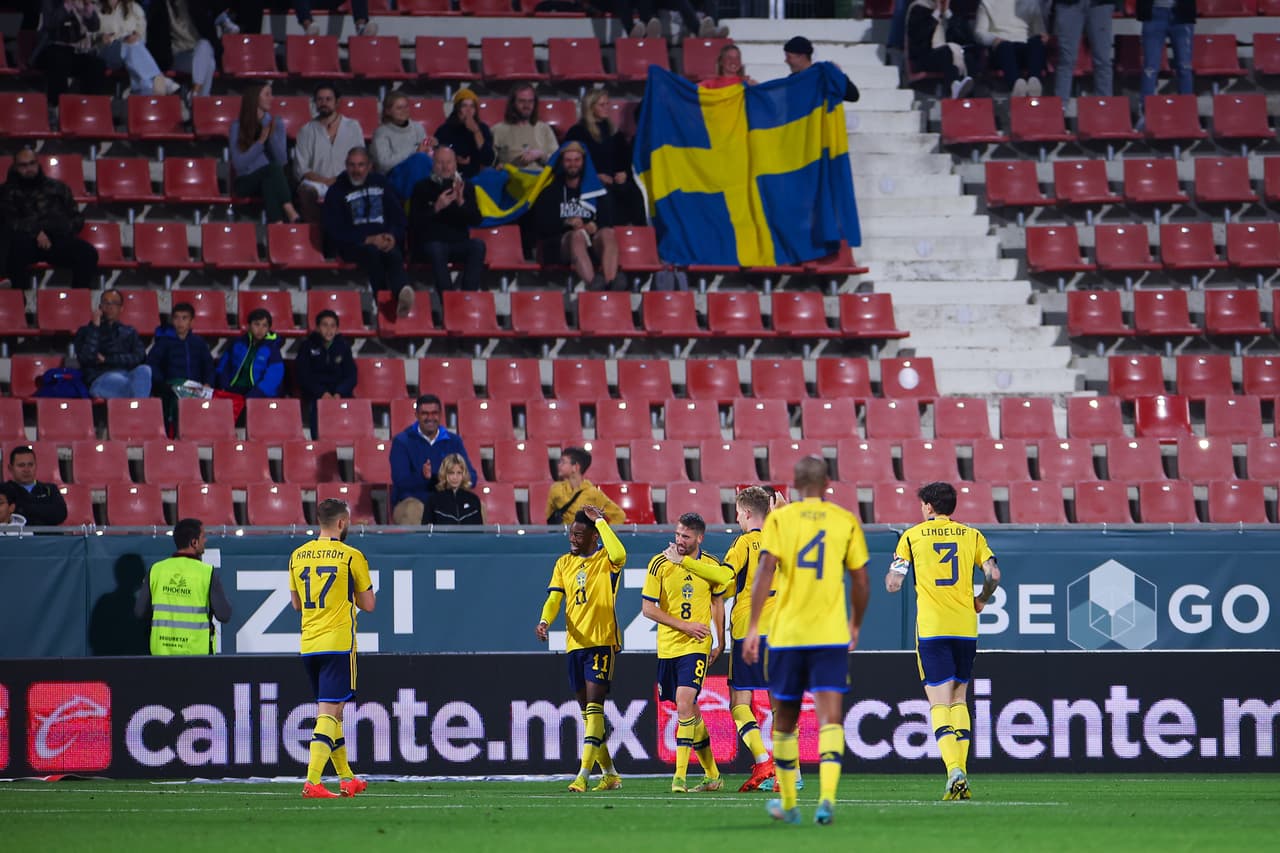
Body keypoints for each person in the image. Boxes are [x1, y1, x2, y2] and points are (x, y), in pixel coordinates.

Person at [742, 456, 870, 826]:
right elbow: (861, 581)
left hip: (787, 634)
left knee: (784, 719)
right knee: (830, 718)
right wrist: (855, 624)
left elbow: (765, 571)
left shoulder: (781, 519)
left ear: (795, 484)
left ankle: (789, 803)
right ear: (828, 482)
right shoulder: (844, 520)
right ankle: (827, 799)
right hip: (829, 634)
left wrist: (753, 627)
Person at [885, 481, 999, 801]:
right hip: (965, 627)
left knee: (938, 703)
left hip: (933, 629)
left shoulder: (912, 536)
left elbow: (896, 579)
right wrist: (981, 600)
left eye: (922, 505)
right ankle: (960, 772)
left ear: (930, 507)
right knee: (959, 700)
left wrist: (893, 581)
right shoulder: (972, 535)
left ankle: (953, 770)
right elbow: (993, 575)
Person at [288, 498, 376, 798]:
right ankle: (312, 781)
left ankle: (347, 777)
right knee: (329, 710)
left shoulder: (297, 556)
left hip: (309, 643)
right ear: (342, 523)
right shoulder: (351, 556)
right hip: (338, 642)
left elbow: (296, 604)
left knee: (334, 712)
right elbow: (369, 604)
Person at [536, 506, 628, 791]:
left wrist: (601, 521)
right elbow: (554, 599)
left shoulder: (605, 559)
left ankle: (583, 775)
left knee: (594, 708)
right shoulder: (563, 563)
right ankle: (610, 774)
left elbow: (620, 554)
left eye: (578, 534)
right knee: (588, 716)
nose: (572, 539)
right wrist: (544, 620)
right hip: (574, 644)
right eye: (571, 534)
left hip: (601, 642)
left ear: (593, 536)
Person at [642, 512, 733, 793]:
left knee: (684, 701)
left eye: (686, 536)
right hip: (668, 647)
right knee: (689, 709)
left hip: (696, 646)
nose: (679, 541)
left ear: (699, 538)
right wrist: (684, 626)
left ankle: (678, 778)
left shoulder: (709, 565)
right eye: (678, 535)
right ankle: (712, 775)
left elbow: (717, 602)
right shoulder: (659, 564)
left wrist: (719, 640)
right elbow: (648, 609)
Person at [722, 486, 782, 793]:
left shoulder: (744, 542)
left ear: (746, 513)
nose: (737, 518)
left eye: (737, 512)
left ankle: (762, 760)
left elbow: (724, 579)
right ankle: (787, 774)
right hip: (781, 631)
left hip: (748, 630)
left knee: (739, 701)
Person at [322, 146, 412, 315]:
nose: (356, 170)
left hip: (383, 238)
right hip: (354, 244)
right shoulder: (336, 191)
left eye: (361, 165)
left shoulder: (382, 183)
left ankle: (402, 292)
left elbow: (398, 218)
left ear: (369, 166)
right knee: (372, 252)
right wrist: (367, 238)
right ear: (346, 165)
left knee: (392, 251)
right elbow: (334, 230)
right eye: (352, 165)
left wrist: (391, 236)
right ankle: (384, 303)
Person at [0, 150, 100, 290]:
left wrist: (59, 231)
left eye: (32, 163)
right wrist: (37, 232)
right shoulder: (7, 191)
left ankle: (79, 301)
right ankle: (18, 304)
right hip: (26, 242)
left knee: (87, 253)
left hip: (57, 240)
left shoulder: (58, 187)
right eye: (23, 165)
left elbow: (76, 217)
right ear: (16, 167)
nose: (29, 169)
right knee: (12, 251)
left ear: (38, 163)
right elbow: (9, 221)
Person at [530, 142, 623, 291]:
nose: (573, 164)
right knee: (577, 236)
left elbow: (608, 220)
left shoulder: (598, 190)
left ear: (583, 162)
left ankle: (610, 285)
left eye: (577, 160)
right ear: (562, 162)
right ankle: (595, 287)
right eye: (568, 160)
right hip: (560, 245)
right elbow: (542, 225)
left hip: (592, 244)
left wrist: (594, 225)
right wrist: (567, 222)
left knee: (608, 233)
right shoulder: (550, 191)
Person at [134, 517, 233, 655]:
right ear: (194, 542)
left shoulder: (156, 570)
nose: (206, 541)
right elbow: (224, 615)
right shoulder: (206, 573)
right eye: (203, 537)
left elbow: (140, 613)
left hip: (161, 654)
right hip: (196, 656)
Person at [389, 393, 479, 526]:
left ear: (441, 415)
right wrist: (422, 476)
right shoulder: (402, 442)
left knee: (477, 505)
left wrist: (455, 478)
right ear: (417, 415)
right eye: (425, 413)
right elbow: (400, 480)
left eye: (434, 413)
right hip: (413, 501)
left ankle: (472, 547)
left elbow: (472, 476)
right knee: (412, 510)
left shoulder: (454, 441)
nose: (430, 418)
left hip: (448, 500)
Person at [407, 146, 485, 293]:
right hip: (430, 245)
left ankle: (467, 296)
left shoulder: (465, 187)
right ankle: (448, 302)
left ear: (455, 163)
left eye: (448, 162)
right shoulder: (421, 187)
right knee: (437, 248)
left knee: (477, 245)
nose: (445, 167)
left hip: (457, 243)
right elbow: (414, 223)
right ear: (433, 164)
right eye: (440, 163)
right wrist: (436, 207)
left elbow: (476, 220)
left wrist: (462, 202)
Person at [564, 90, 645, 228]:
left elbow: (625, 158)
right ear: (590, 107)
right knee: (605, 194)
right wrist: (596, 176)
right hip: (591, 179)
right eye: (602, 105)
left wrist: (624, 173)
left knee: (636, 191)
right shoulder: (577, 132)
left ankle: (635, 233)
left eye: (608, 104)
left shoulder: (614, 132)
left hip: (614, 179)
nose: (607, 107)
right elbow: (573, 160)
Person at [294, 83, 367, 223]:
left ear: (337, 102)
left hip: (346, 179)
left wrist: (338, 180)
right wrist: (325, 181)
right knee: (305, 191)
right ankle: (316, 234)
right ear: (315, 102)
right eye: (320, 99)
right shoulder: (306, 130)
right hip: (317, 182)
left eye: (328, 99)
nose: (324, 103)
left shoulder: (352, 126)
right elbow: (301, 168)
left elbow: (360, 159)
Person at [230, 82, 301, 224]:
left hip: (270, 180)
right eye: (267, 94)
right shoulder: (237, 126)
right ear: (255, 97)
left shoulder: (277, 123)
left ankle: (277, 225)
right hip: (246, 181)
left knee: (269, 181)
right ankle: (290, 210)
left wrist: (270, 134)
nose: (272, 98)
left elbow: (282, 160)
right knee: (272, 170)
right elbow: (239, 165)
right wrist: (260, 142)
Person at [147, 300, 216, 433]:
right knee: (174, 402)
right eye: (177, 318)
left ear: (192, 322)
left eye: (184, 318)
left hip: (196, 388)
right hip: (171, 388)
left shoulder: (199, 343)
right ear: (172, 320)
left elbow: (208, 366)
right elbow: (152, 365)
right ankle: (177, 436)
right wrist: (164, 384)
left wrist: (208, 383)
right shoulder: (163, 342)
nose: (180, 322)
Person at [74, 289, 152, 399]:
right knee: (129, 386)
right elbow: (86, 358)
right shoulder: (86, 331)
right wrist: (95, 327)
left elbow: (139, 357)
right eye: (106, 303)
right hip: (100, 378)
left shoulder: (129, 332)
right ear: (100, 306)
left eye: (114, 303)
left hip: (127, 375)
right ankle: (139, 410)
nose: (110, 307)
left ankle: (136, 408)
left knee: (145, 370)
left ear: (121, 308)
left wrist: (107, 360)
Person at [96, 0, 180, 95]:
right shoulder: (96, 8)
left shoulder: (134, 8)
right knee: (131, 47)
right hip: (108, 53)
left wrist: (135, 37)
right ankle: (158, 78)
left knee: (144, 79)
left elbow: (142, 36)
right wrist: (100, 38)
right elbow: (89, 36)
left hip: (132, 53)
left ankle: (147, 91)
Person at [295, 309, 357, 439]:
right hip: (316, 394)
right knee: (316, 408)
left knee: (353, 408)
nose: (329, 330)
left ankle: (348, 444)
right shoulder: (307, 346)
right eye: (325, 325)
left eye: (332, 326)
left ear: (337, 329)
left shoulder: (344, 347)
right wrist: (322, 393)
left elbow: (351, 375)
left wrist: (339, 392)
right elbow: (303, 375)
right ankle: (319, 443)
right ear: (317, 328)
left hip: (339, 394)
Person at [33, 0, 109, 101]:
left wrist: (87, 12)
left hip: (74, 51)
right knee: (59, 57)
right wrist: (67, 6)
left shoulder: (81, 3)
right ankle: (56, 105)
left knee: (97, 65)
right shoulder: (50, 2)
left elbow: (95, 26)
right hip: (50, 49)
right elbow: (49, 23)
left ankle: (88, 105)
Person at [146, 0, 217, 103]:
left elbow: (209, 29)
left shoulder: (194, 4)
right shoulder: (159, 7)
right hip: (177, 55)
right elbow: (155, 40)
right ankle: (200, 100)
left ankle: (195, 96)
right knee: (209, 64)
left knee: (205, 47)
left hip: (197, 52)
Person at [371, 90, 436, 201]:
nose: (404, 111)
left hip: (420, 172)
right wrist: (414, 151)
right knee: (419, 159)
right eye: (399, 108)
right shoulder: (382, 132)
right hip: (394, 178)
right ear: (388, 111)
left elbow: (425, 154)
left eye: (406, 107)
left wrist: (432, 147)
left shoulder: (417, 128)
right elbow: (383, 164)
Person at [974, 0, 1047, 97]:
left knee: (1036, 42)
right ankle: (1016, 86)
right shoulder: (987, 3)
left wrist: (1043, 37)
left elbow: (1040, 31)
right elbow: (979, 33)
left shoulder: (1031, 3)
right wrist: (994, 40)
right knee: (1005, 46)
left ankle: (1034, 84)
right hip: (1001, 48)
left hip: (1024, 46)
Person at [906, 0, 976, 99]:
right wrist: (936, 14)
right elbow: (918, 37)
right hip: (925, 56)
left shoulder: (954, 11)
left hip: (949, 52)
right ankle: (953, 88)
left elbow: (966, 38)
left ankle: (970, 96)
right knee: (947, 52)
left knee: (968, 57)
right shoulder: (918, 8)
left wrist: (948, 13)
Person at [215, 307, 285, 400]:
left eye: (264, 326)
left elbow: (273, 378)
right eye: (257, 324)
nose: (260, 329)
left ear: (268, 329)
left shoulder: (272, 348)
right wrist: (224, 387)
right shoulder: (237, 343)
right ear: (249, 326)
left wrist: (254, 395)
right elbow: (223, 367)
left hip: (259, 394)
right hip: (233, 390)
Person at [546, 446, 624, 526]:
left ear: (575, 467)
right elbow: (547, 517)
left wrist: (604, 533)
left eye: (563, 462)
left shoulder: (593, 493)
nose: (559, 465)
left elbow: (619, 515)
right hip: (561, 537)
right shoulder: (555, 489)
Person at [1053, 0, 1115, 100]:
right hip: (1068, 5)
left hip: (1100, 5)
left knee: (1103, 59)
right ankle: (1060, 108)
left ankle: (1105, 108)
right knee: (1066, 60)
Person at [492, 84, 560, 169]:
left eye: (530, 101)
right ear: (513, 103)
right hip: (511, 179)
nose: (527, 106)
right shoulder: (498, 130)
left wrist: (541, 154)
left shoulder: (544, 129)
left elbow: (558, 161)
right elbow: (490, 162)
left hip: (540, 179)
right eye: (522, 101)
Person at [435, 89, 496, 180]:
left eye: (472, 106)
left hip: (476, 175)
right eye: (464, 106)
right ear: (457, 109)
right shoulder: (445, 129)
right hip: (450, 175)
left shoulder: (482, 129)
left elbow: (488, 159)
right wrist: (455, 159)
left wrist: (476, 132)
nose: (468, 111)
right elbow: (437, 155)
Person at [1138, 0, 1195, 98]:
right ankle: (1145, 109)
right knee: (1150, 67)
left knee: (1184, 67)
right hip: (1153, 13)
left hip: (1182, 14)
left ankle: (1187, 109)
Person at [3, 446, 67, 527]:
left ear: (36, 466)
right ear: (10, 468)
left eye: (30, 465)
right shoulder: (3, 490)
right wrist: (43, 508)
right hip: (16, 538)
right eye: (21, 465)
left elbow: (60, 515)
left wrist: (21, 508)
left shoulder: (50, 489)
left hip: (49, 538)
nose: (26, 470)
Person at [783, 36, 861, 102]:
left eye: (789, 57)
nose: (786, 61)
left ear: (801, 56)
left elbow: (853, 96)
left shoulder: (825, 75)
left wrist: (839, 76)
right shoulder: (792, 80)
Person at [422, 453, 484, 525]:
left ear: (463, 474)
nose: (455, 477)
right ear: (444, 474)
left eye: (459, 473)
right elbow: (426, 532)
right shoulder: (433, 501)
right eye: (451, 473)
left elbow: (479, 533)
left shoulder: (474, 500)